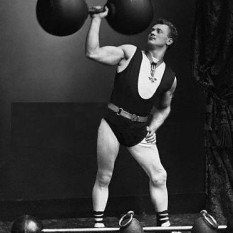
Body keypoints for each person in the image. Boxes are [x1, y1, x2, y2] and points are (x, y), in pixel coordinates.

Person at [85, 6, 178, 229]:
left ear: (169, 41)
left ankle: (164, 224)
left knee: (159, 176)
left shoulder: (170, 78)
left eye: (159, 31)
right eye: (152, 29)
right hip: (112, 123)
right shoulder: (129, 52)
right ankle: (98, 225)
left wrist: (153, 127)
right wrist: (96, 19)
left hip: (138, 131)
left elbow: (164, 108)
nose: (153, 32)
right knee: (104, 176)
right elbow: (93, 52)